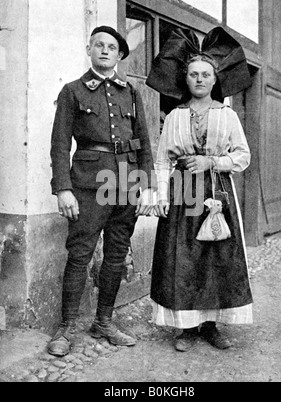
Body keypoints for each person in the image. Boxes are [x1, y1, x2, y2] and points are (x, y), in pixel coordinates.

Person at [48, 26, 155, 357]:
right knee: (80, 254)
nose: (106, 51)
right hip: (88, 186)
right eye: (99, 45)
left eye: (112, 47)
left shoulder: (131, 92)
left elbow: (143, 142)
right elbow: (60, 144)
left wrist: (146, 186)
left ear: (120, 55)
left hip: (125, 187)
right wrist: (63, 189)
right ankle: (66, 328)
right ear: (89, 50)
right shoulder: (73, 91)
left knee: (116, 254)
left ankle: (104, 322)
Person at [149, 30, 253, 352]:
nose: (199, 79)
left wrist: (212, 161)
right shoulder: (176, 117)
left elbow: (243, 156)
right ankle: (186, 328)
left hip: (218, 193)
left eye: (205, 75)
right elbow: (163, 160)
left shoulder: (228, 115)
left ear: (214, 79)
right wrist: (162, 198)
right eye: (193, 74)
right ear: (186, 79)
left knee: (216, 258)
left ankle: (211, 326)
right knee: (182, 259)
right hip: (182, 194)